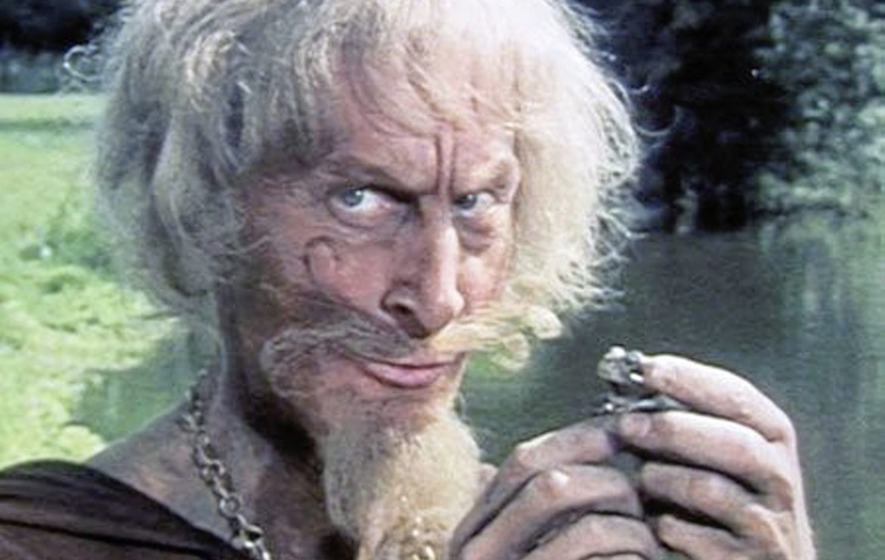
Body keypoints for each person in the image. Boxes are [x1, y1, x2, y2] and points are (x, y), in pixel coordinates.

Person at [0, 0, 815, 559]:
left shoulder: (554, 531)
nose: (437, 298)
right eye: (362, 200)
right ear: (201, 204)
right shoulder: (36, 538)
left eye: (475, 202)